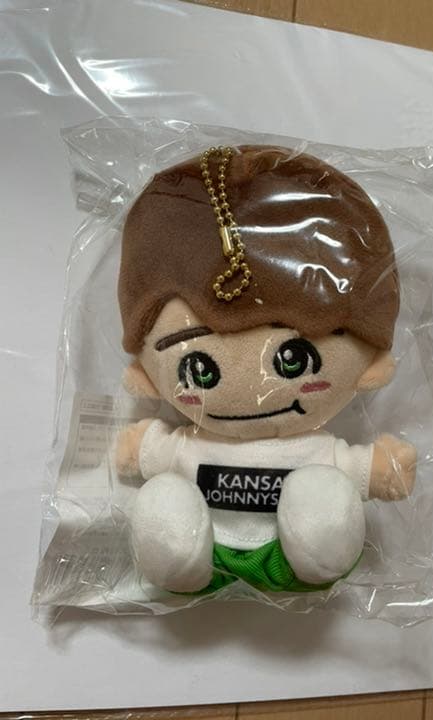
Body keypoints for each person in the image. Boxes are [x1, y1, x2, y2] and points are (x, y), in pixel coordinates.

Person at [116, 145, 416, 594]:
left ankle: (318, 556)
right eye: (199, 368)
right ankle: (179, 562)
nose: (253, 384)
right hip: (208, 554)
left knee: (322, 494)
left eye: (293, 360)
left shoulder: (313, 451)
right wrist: (140, 449)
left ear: (369, 368)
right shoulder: (189, 445)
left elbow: (351, 469)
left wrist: (378, 470)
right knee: (164, 503)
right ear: (146, 375)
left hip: (289, 562)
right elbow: (148, 454)